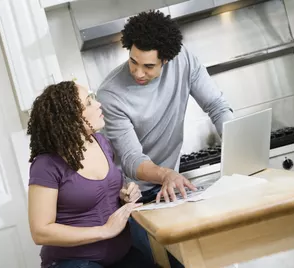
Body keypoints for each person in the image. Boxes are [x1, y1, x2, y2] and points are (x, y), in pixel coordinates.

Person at [97, 10, 234, 268]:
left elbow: (216, 105)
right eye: (133, 61)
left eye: (148, 66)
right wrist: (166, 174)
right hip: (130, 198)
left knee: (204, 255)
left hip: (167, 190)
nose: (138, 72)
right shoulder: (110, 94)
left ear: (167, 60)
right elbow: (130, 159)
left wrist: (237, 143)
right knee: (166, 262)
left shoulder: (184, 61)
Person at [27, 81, 157, 268]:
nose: (98, 104)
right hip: (74, 262)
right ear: (70, 118)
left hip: (121, 255)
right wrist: (104, 231)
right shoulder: (46, 165)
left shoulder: (101, 142)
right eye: (88, 102)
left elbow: (102, 193)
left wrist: (125, 194)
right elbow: (40, 231)